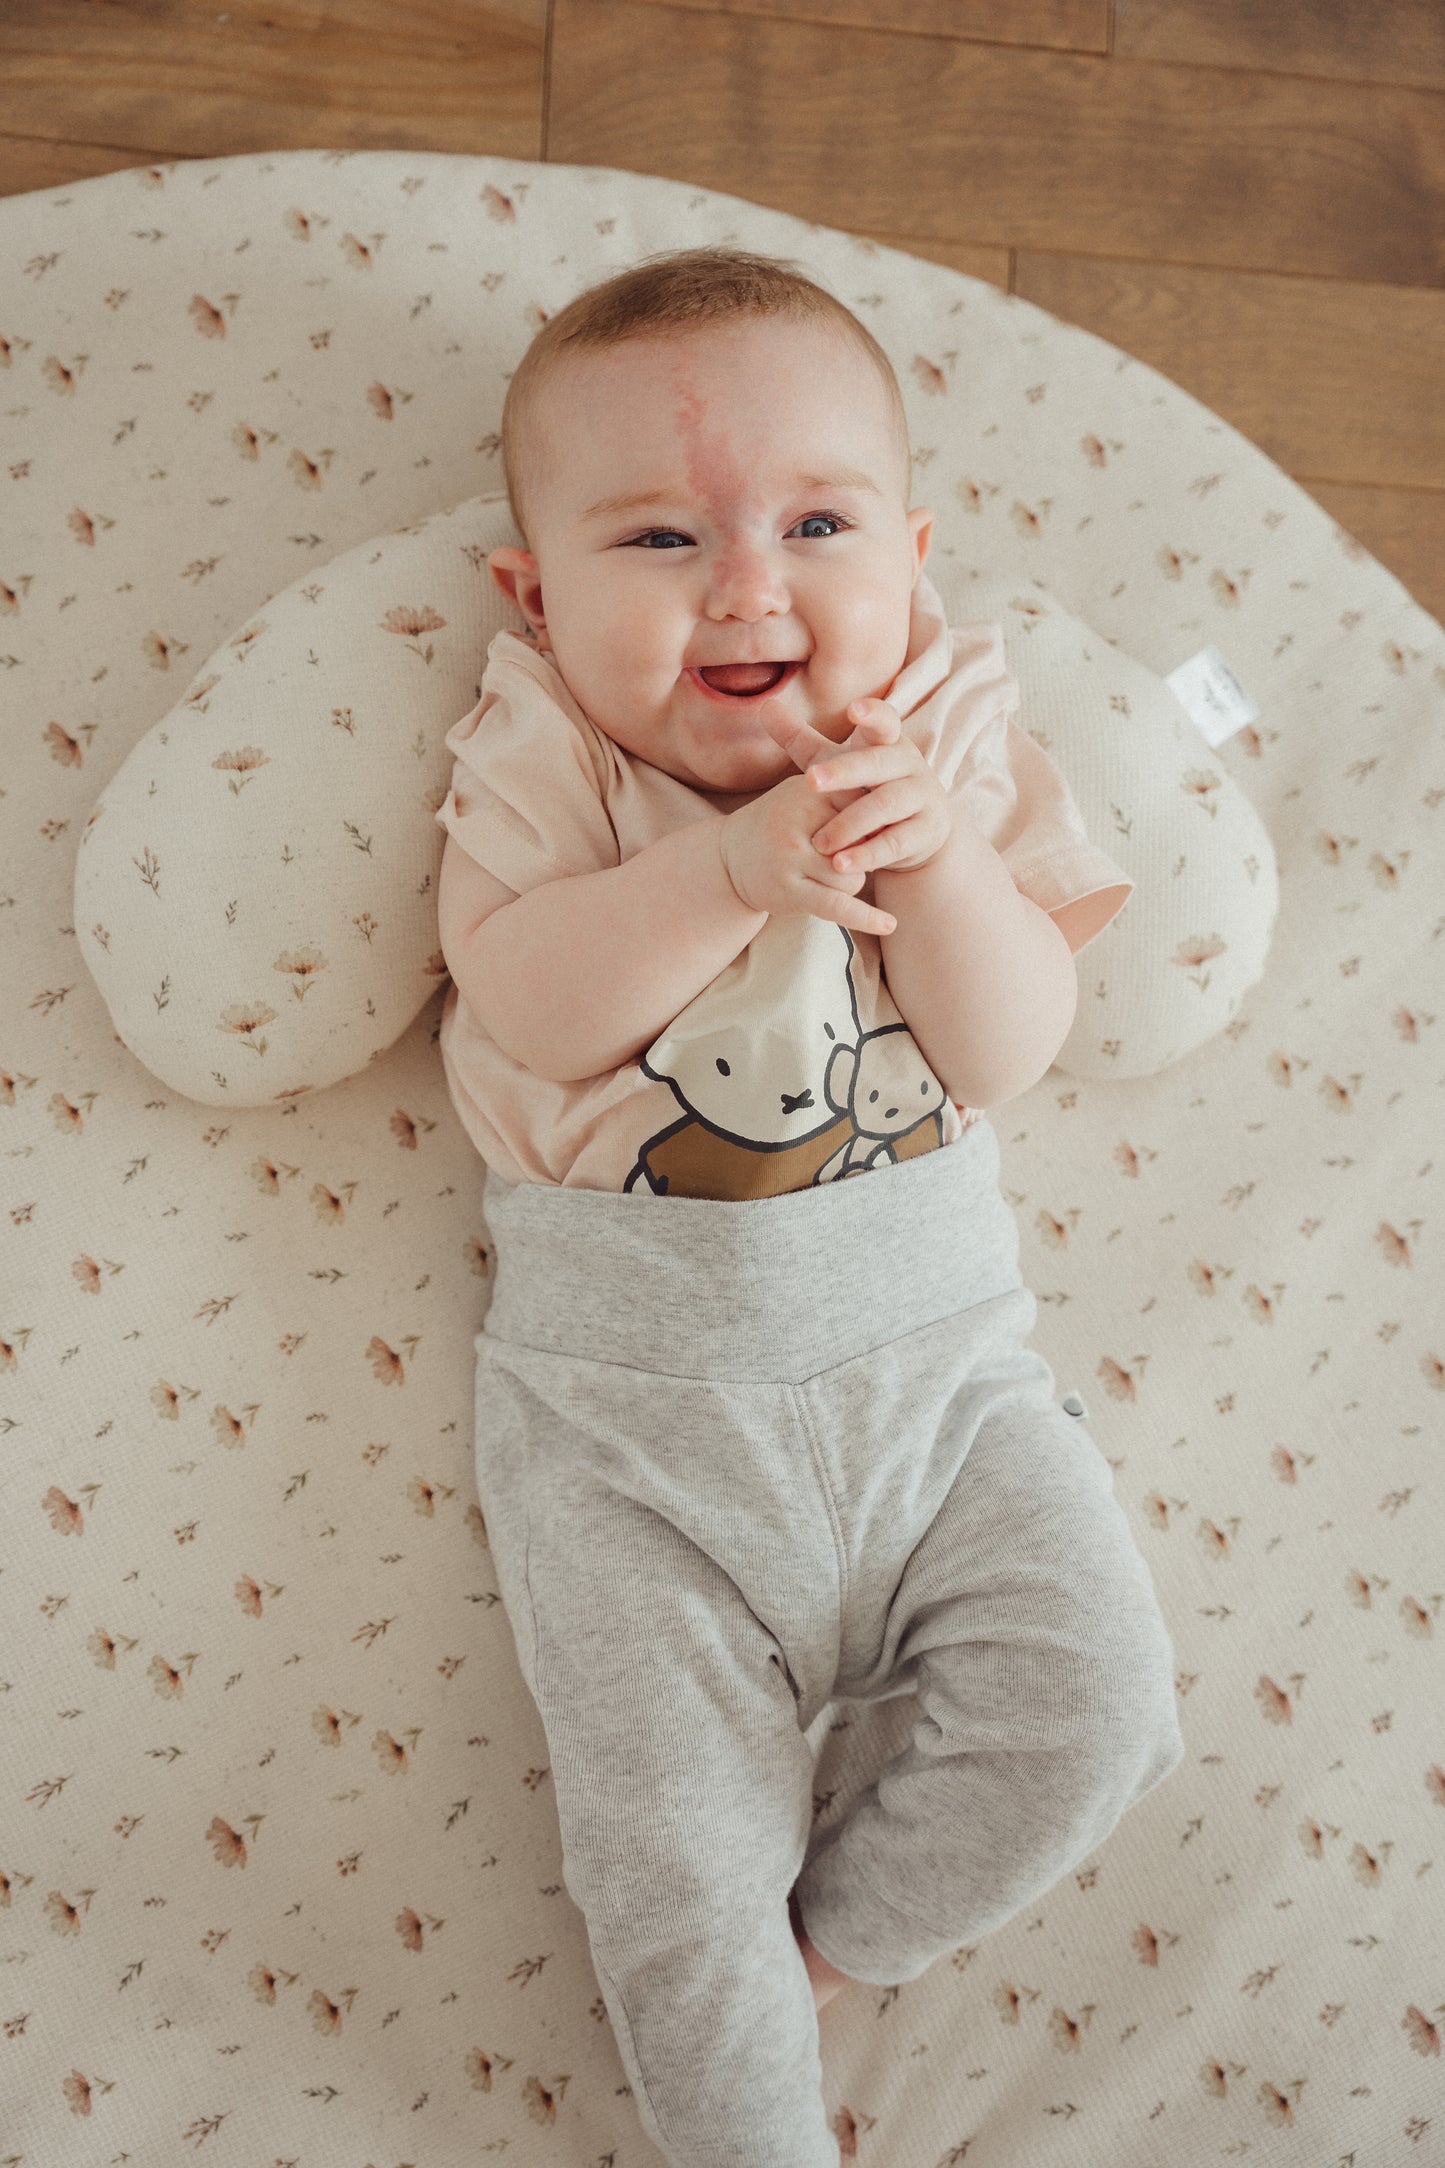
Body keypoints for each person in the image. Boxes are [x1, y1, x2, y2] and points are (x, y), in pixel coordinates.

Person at [433, 244, 1184, 2168]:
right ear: (538, 592)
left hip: (941, 1393)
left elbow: (1009, 1047)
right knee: (661, 1868)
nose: (749, 585)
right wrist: (738, 872)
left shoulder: (948, 745)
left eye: (817, 523)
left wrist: (940, 872)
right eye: (661, 538)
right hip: (629, 1442)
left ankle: (829, 1942)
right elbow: (524, 998)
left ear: (912, 562)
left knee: (1095, 1713)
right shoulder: (553, 747)